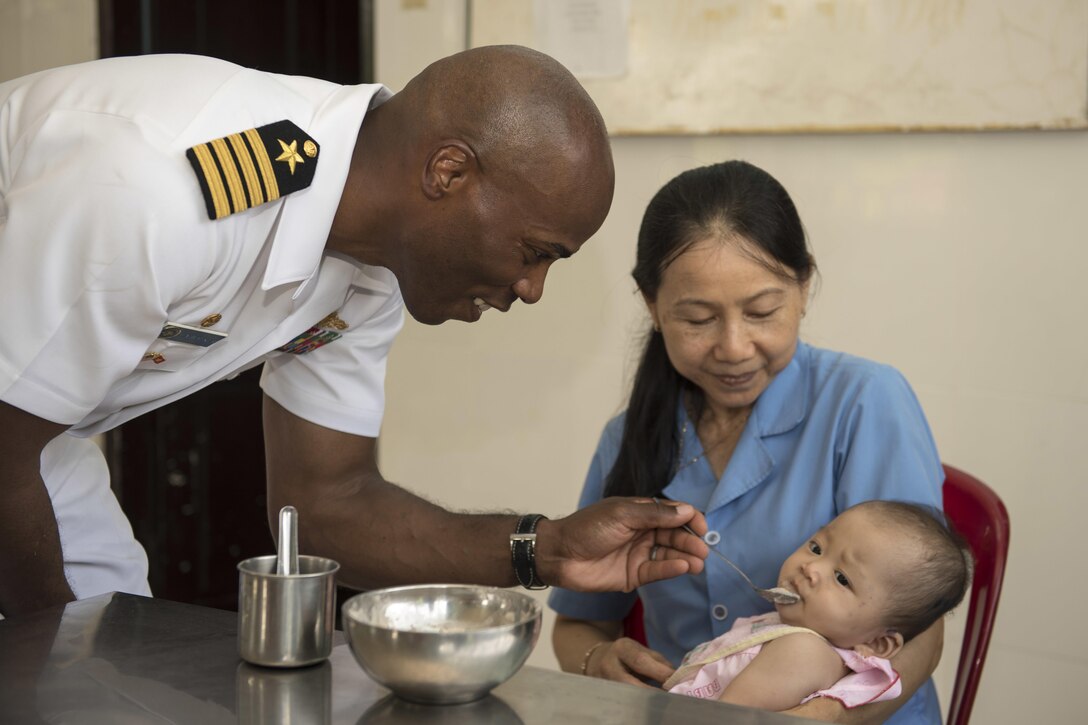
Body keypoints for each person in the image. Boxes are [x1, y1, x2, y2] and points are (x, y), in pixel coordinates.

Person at [0, 46, 710, 619]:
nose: (531, 289)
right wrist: (52, 668)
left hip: (30, 447)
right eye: (534, 252)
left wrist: (545, 548)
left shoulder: (366, 272)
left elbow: (329, 505)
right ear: (449, 171)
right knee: (71, 672)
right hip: (10, 447)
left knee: (110, 654)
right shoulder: (164, 189)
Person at [549, 159, 948, 724]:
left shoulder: (865, 402)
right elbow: (580, 621)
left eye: (762, 312)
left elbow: (921, 633)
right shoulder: (627, 439)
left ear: (803, 288)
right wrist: (595, 660)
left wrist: (826, 716)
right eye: (698, 319)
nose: (734, 347)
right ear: (652, 308)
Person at [664, 500, 970, 713]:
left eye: (841, 578)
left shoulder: (803, 652)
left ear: (877, 643)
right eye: (816, 547)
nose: (811, 567)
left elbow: (723, 720)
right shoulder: (794, 629)